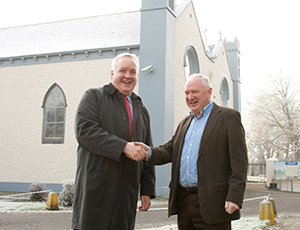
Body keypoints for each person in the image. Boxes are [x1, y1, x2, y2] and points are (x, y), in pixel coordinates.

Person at [140, 74, 248, 229]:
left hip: (214, 204)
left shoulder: (228, 117)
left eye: (195, 92)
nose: (190, 97)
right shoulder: (185, 123)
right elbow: (170, 150)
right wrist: (147, 152)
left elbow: (240, 163)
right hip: (184, 202)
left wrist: (235, 197)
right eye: (186, 93)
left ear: (209, 92)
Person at [72, 52, 156, 230]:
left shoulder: (142, 111)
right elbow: (85, 132)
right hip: (96, 192)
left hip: (126, 193)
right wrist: (123, 147)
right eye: (122, 70)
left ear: (137, 77)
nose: (128, 76)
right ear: (112, 74)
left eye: (133, 72)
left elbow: (147, 150)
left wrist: (147, 189)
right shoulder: (94, 97)